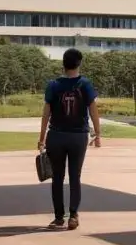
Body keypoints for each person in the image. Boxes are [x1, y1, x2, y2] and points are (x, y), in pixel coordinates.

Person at [38, 48, 100, 230]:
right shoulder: (85, 84)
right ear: (79, 63)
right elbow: (93, 110)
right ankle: (73, 215)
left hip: (56, 136)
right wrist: (97, 133)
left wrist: (41, 139)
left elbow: (45, 114)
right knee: (75, 176)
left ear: (63, 64)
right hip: (78, 136)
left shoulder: (53, 85)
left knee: (57, 177)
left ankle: (58, 217)